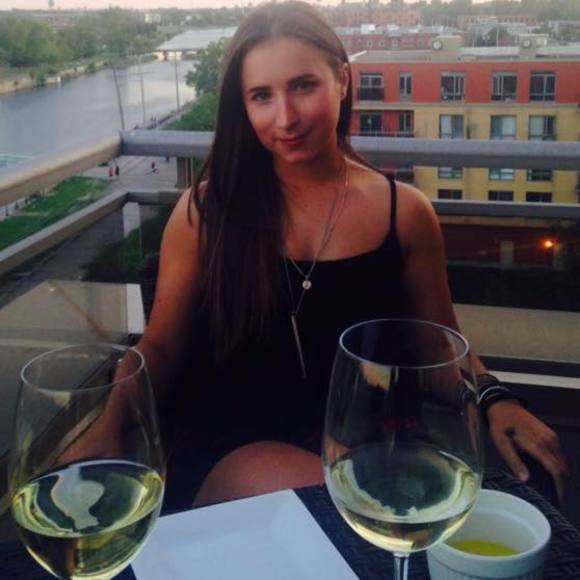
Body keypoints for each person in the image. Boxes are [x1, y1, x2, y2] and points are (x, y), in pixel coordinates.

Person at [135, 1, 568, 508]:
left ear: (342, 80)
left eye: (303, 86)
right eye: (261, 96)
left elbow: (439, 347)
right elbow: (161, 348)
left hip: (368, 452)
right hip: (233, 459)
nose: (286, 118)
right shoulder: (205, 213)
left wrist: (495, 399)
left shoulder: (404, 214)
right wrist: (104, 416)